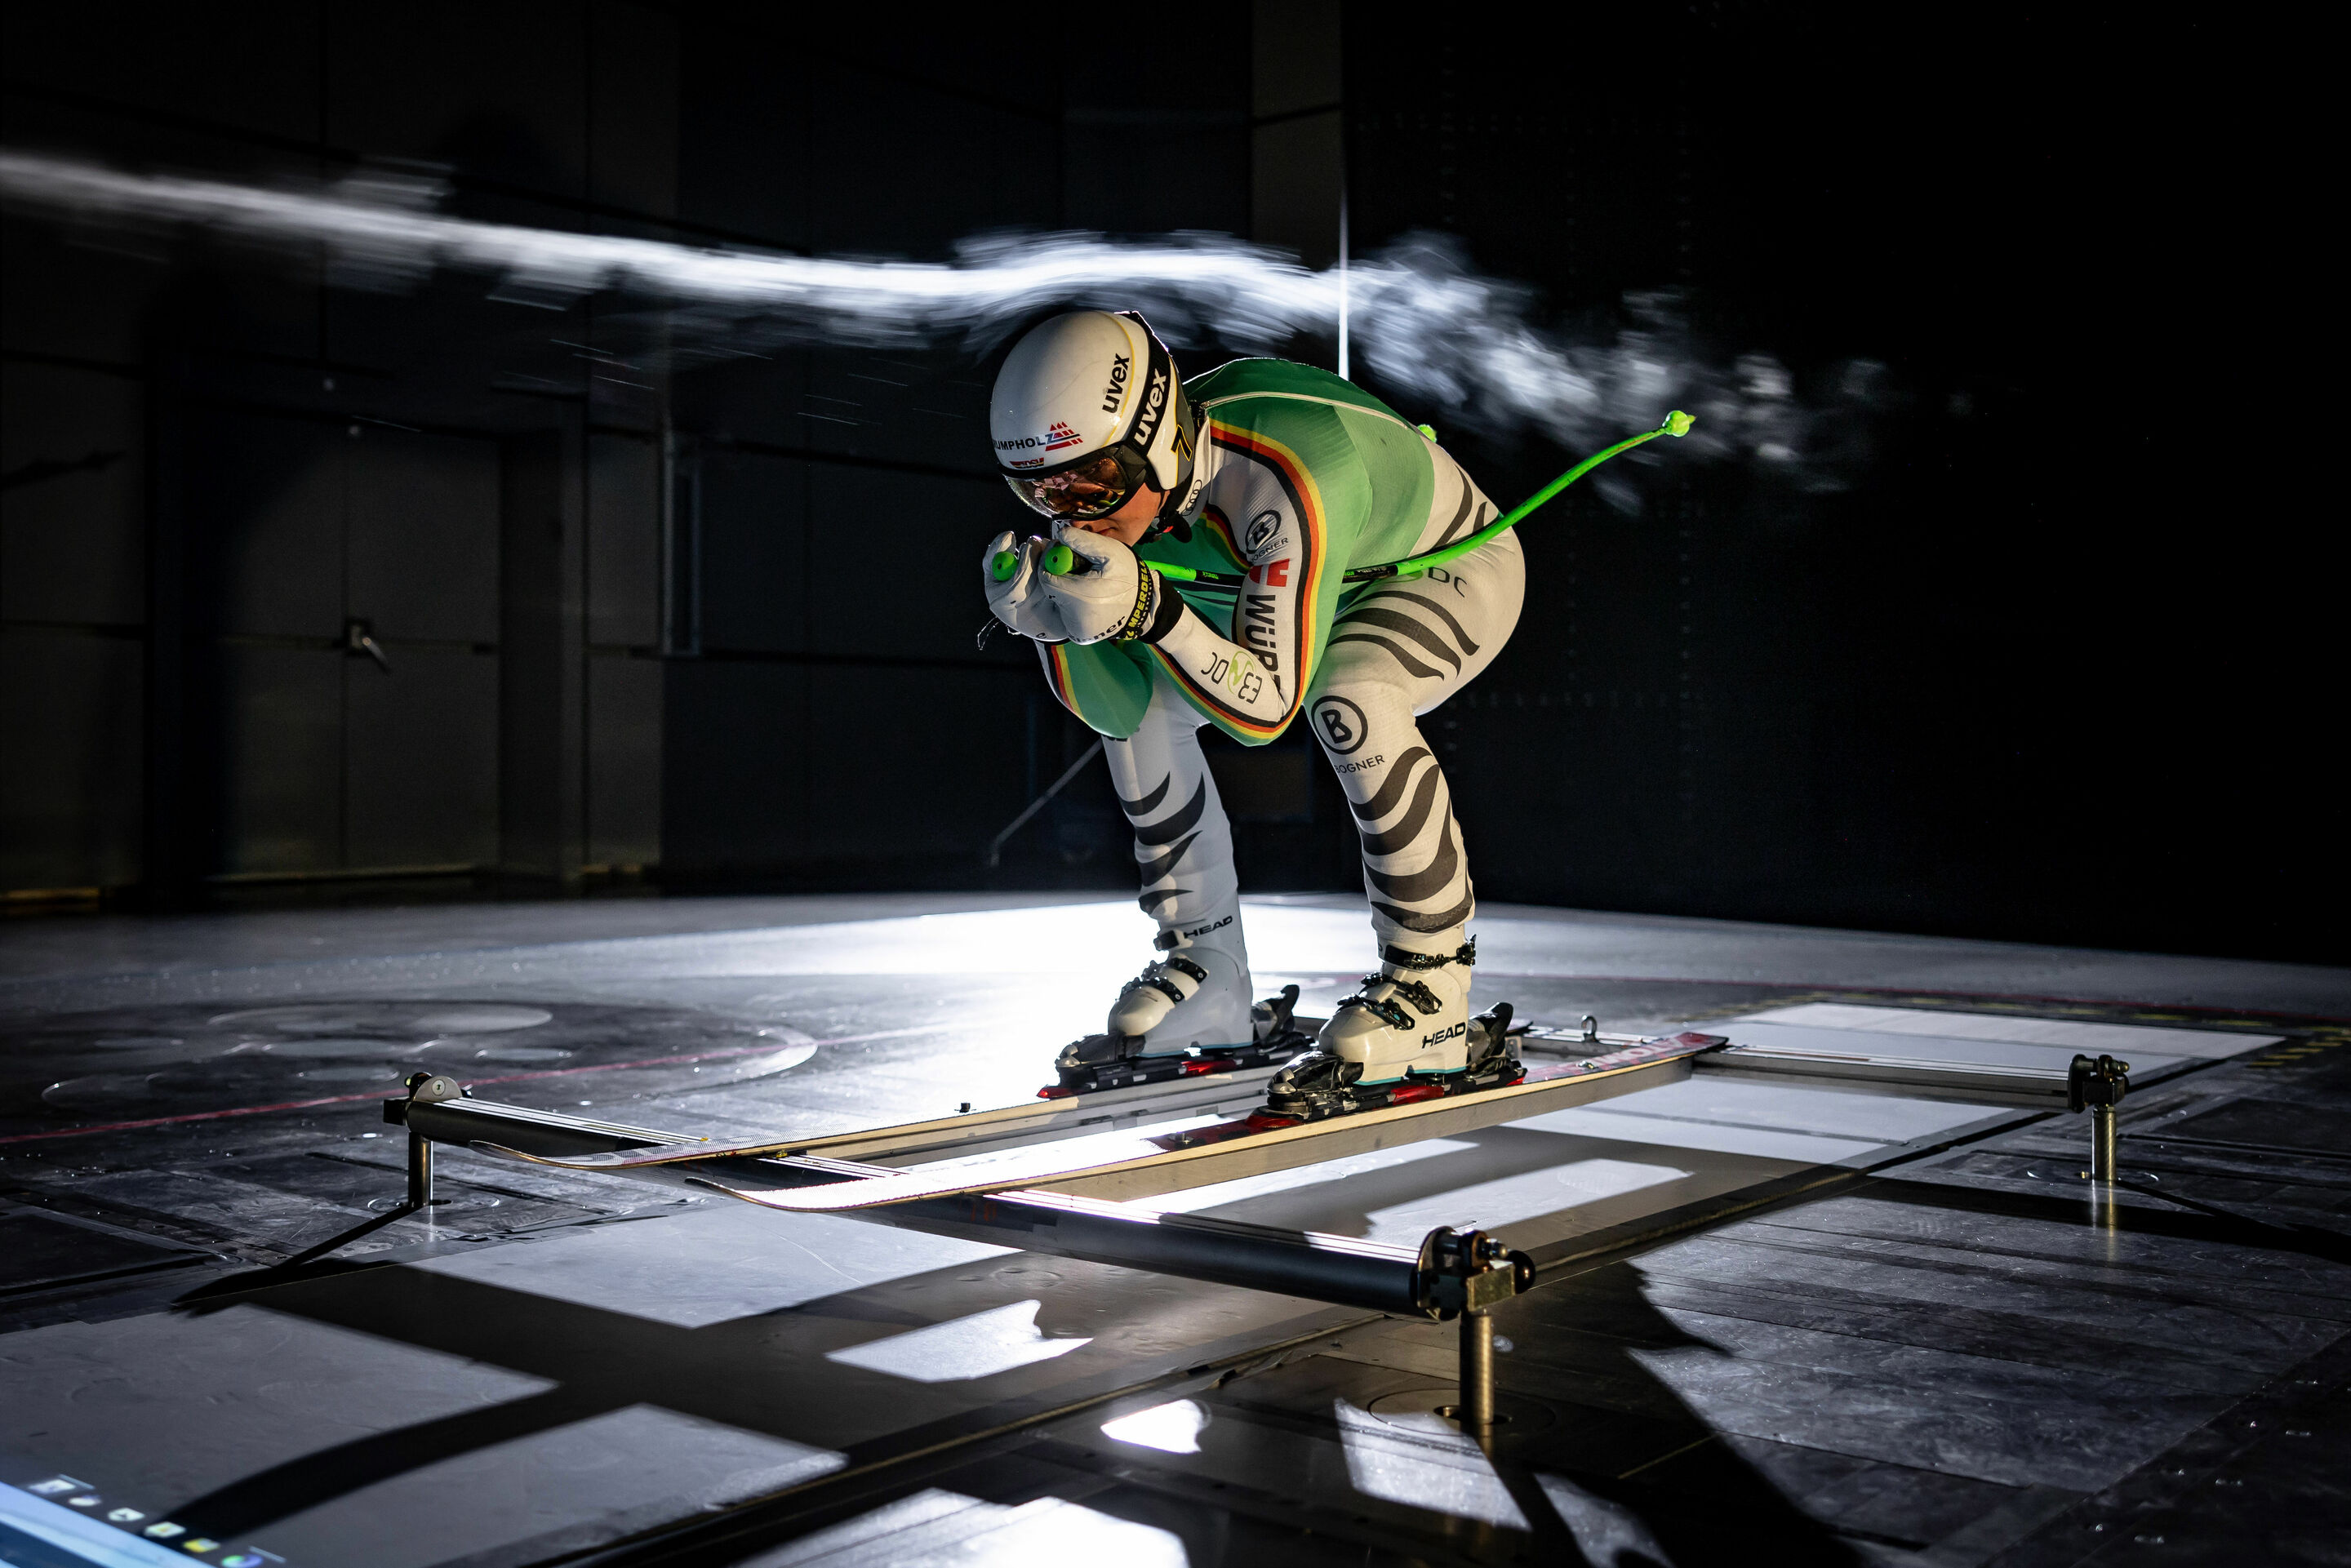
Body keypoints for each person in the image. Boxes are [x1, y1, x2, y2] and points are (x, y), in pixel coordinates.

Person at [982, 309, 1524, 1102]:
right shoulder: (1149, 486)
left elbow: (1264, 712)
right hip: (1302, 572)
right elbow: (1121, 708)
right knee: (1151, 719)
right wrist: (1052, 625)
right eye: (1040, 490)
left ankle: (1431, 990)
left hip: (1438, 565)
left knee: (1351, 697)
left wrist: (1152, 613)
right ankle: (1207, 966)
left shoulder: (1285, 475)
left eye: (1091, 482)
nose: (1073, 515)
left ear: (1157, 440)